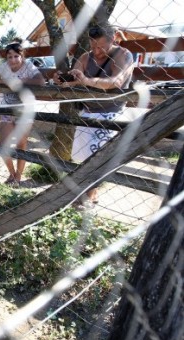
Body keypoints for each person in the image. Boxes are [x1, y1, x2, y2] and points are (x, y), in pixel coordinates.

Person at [53, 24, 134, 207]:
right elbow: (74, 79)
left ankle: (87, 197)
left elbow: (116, 81)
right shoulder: (85, 56)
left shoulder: (123, 55)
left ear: (113, 40)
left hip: (110, 112)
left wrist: (87, 80)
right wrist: (62, 79)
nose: (97, 51)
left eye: (102, 47)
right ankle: (91, 193)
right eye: (93, 46)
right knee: (82, 157)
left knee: (96, 155)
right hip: (88, 111)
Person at [0, 41, 46, 186]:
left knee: (21, 144)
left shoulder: (28, 66)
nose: (13, 60)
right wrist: (7, 81)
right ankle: (12, 174)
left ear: (22, 56)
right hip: (6, 108)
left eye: (16, 56)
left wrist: (23, 80)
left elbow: (41, 81)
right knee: (3, 145)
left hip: (24, 110)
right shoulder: (4, 67)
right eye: (10, 57)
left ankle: (18, 177)